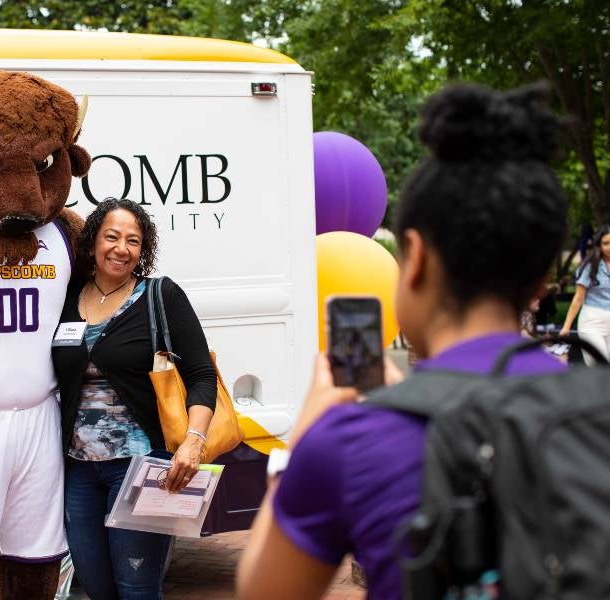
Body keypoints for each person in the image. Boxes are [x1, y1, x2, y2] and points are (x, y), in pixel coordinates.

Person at [236, 82, 569, 600]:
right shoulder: (594, 411)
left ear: (416, 259)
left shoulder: (350, 438)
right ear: (542, 282)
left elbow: (264, 593)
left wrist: (296, 448)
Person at [52, 198, 217, 600]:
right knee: (95, 587)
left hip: (143, 467)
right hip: (78, 470)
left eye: (133, 240)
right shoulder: (66, 297)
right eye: (112, 236)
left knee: (137, 589)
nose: (121, 248)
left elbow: (201, 375)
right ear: (93, 241)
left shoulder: (160, 295)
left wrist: (194, 441)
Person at [560, 224, 610, 363]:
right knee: (600, 366)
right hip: (592, 322)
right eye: (606, 243)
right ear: (599, 244)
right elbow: (578, 298)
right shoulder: (590, 266)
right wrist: (566, 327)